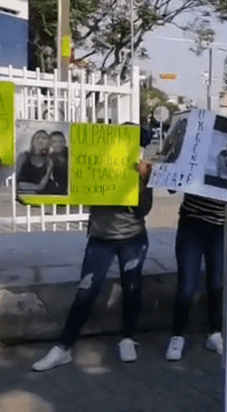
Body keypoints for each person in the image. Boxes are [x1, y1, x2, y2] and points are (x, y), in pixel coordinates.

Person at [32, 132, 154, 371]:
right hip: (100, 239)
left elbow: (143, 210)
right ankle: (63, 347)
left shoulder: (141, 169)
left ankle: (128, 338)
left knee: (132, 289)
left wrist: (144, 181)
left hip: (133, 240)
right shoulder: (98, 163)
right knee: (86, 292)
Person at [165, 192, 227, 360]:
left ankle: (214, 333)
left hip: (220, 226)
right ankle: (177, 336)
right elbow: (171, 188)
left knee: (216, 283)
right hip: (191, 223)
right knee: (186, 284)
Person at [16, 130, 54, 194]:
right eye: (37, 138)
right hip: (21, 194)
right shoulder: (23, 156)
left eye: (44, 138)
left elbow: (42, 185)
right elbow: (15, 177)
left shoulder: (48, 161)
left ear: (48, 143)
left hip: (38, 195)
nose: (40, 140)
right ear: (33, 141)